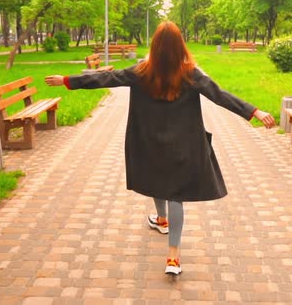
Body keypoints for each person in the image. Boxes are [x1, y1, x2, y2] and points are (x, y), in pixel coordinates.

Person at [45, 21, 275, 275]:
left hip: (150, 143)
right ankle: (172, 255)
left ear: (155, 46)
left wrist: (66, 80)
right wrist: (254, 111)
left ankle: (161, 219)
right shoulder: (190, 73)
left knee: (156, 178)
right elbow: (220, 95)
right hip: (183, 146)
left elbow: (105, 78)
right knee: (175, 194)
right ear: (180, 47)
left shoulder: (141, 71)